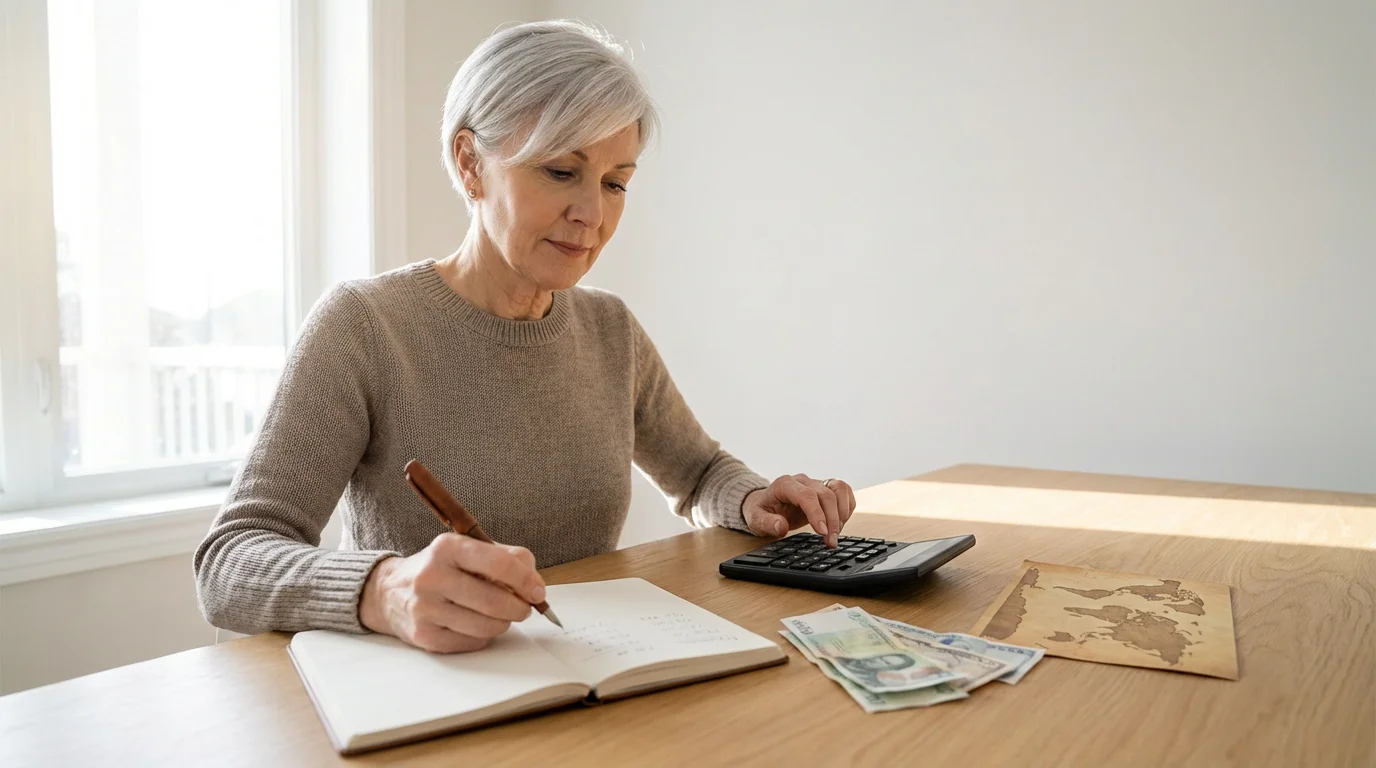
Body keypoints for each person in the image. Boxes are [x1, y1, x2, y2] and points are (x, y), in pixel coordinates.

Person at [193, 20, 856, 654]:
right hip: (430, 692)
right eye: (562, 172)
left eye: (615, 182)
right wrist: (383, 589)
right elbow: (231, 560)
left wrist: (751, 500)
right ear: (470, 162)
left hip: (585, 677)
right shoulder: (365, 327)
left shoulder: (609, 329)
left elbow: (700, 472)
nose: (592, 213)